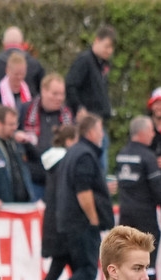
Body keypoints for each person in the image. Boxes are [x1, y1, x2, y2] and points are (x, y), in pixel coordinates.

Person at [34, 114, 113, 280]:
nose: (102, 134)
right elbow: (83, 191)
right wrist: (94, 219)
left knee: (83, 270)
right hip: (82, 222)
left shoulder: (74, 153)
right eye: (100, 130)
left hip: (69, 221)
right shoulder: (85, 155)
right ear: (91, 132)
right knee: (88, 270)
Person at [114, 116, 161, 280]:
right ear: (142, 132)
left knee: (126, 255)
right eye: (151, 130)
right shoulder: (147, 156)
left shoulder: (121, 154)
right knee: (148, 254)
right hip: (145, 213)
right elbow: (157, 186)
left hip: (125, 213)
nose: (153, 134)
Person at [26, 123, 77, 280]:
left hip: (52, 223)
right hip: (64, 225)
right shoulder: (67, 163)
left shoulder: (51, 162)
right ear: (69, 141)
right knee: (83, 272)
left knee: (58, 270)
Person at [65, 25, 115, 172]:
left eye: (111, 48)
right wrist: (79, 108)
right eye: (106, 46)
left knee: (102, 167)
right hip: (88, 125)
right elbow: (71, 85)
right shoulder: (84, 60)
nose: (109, 51)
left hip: (99, 123)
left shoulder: (102, 66)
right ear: (97, 40)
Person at [18, 72, 74, 201]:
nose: (59, 98)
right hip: (33, 178)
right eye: (55, 94)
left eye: (62, 94)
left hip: (59, 180)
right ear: (43, 91)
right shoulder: (26, 110)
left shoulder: (67, 115)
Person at [0, 26, 46, 103]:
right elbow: (44, 92)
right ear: (22, 43)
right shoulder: (35, 65)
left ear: (3, 43)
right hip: (29, 108)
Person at [0, 52, 32, 132]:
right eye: (16, 74)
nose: (19, 77)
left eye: (22, 74)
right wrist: (5, 123)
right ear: (7, 70)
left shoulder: (30, 93)